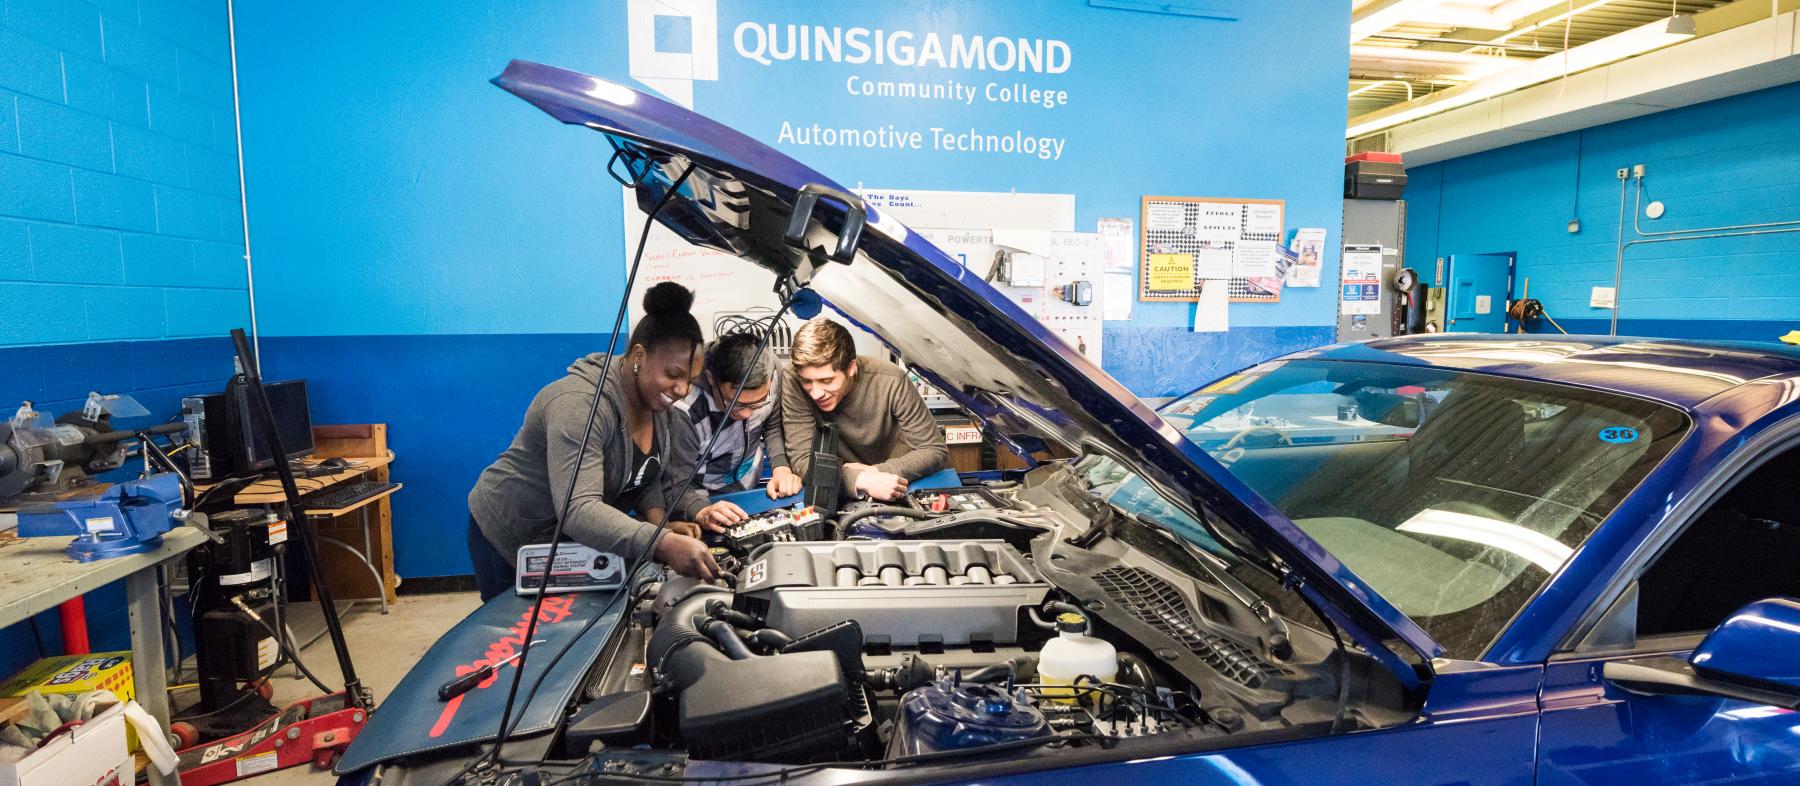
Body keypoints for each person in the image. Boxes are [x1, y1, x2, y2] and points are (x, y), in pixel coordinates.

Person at [466, 282, 720, 601]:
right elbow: (578, 508)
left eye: (690, 380)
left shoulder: (658, 406)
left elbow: (645, 475)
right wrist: (661, 543)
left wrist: (663, 525)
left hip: (565, 542)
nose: (682, 389)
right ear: (639, 355)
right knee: (523, 637)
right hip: (511, 533)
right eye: (673, 374)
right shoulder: (579, 404)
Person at [778, 318, 948, 502]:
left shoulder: (891, 380)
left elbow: (934, 450)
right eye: (807, 381)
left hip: (898, 485)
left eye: (827, 381)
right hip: (838, 491)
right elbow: (803, 461)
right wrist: (860, 479)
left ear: (851, 368)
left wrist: (877, 473)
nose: (816, 393)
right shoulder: (793, 379)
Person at [665, 331, 790, 530]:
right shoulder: (685, 409)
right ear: (711, 379)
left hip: (749, 485)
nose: (748, 414)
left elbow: (773, 425)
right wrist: (701, 510)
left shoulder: (771, 370)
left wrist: (781, 466)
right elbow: (675, 485)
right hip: (701, 494)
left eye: (758, 402)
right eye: (737, 404)